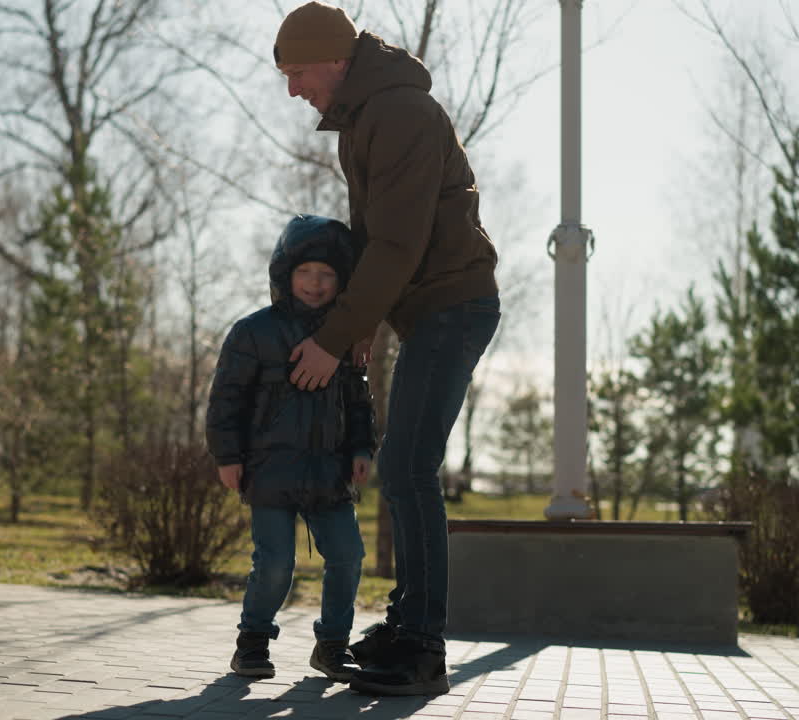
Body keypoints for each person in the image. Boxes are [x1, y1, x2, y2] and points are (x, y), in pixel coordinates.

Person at [273, 1, 502, 698]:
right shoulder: (367, 116)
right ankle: (408, 625)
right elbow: (378, 238)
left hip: (452, 306)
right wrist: (368, 321)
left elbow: (399, 245)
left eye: (298, 72)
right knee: (405, 467)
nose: (293, 89)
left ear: (336, 61)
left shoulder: (396, 112)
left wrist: (336, 337)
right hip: (429, 308)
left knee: (407, 466)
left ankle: (423, 645)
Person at [205, 214, 376, 683]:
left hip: (330, 472)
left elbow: (358, 400)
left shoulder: (344, 337)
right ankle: (252, 643)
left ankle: (332, 645)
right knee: (275, 563)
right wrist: (227, 456)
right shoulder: (253, 332)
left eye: (326, 274)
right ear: (285, 275)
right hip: (269, 470)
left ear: (340, 280)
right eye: (305, 273)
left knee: (348, 556)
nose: (315, 283)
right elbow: (226, 399)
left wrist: (362, 448)